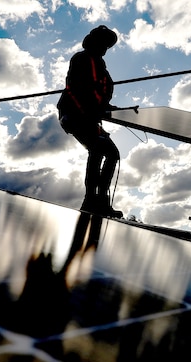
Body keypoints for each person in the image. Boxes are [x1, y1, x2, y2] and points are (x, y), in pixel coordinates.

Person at [57, 25, 123, 218]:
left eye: (109, 46)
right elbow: (74, 90)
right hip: (73, 115)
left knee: (111, 153)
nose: (106, 49)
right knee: (99, 149)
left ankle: (100, 200)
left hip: (89, 117)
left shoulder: (100, 64)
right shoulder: (81, 59)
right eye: (105, 44)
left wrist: (108, 108)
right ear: (96, 42)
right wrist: (87, 112)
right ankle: (91, 201)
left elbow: (100, 95)